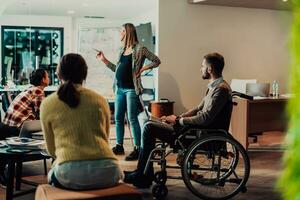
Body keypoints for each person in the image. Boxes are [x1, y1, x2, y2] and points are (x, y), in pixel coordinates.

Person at [124, 52, 232, 188]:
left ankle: (143, 175)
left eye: (202, 66)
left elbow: (205, 118)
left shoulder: (220, 90)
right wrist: (176, 118)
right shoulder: (215, 86)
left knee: (149, 127)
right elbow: (198, 108)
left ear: (210, 69)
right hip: (196, 131)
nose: (200, 69)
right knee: (152, 122)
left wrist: (179, 121)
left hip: (201, 135)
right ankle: (143, 173)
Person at [40, 53, 123, 190]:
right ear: (85, 74)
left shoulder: (48, 104)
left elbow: (51, 150)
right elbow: (105, 139)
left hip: (68, 173)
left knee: (51, 175)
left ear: (59, 74)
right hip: (109, 170)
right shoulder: (100, 100)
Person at [97, 23, 161, 161]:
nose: (120, 34)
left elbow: (156, 61)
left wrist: (143, 69)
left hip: (131, 89)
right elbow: (116, 69)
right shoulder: (122, 50)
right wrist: (104, 60)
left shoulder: (140, 49)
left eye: (121, 31)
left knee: (132, 119)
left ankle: (138, 149)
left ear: (127, 33)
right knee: (118, 118)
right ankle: (119, 146)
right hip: (119, 89)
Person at [0, 68, 49, 186]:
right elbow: (43, 113)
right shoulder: (38, 91)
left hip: (6, 126)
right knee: (46, 134)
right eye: (47, 76)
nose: (49, 78)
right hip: (16, 128)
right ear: (43, 80)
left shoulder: (29, 89)